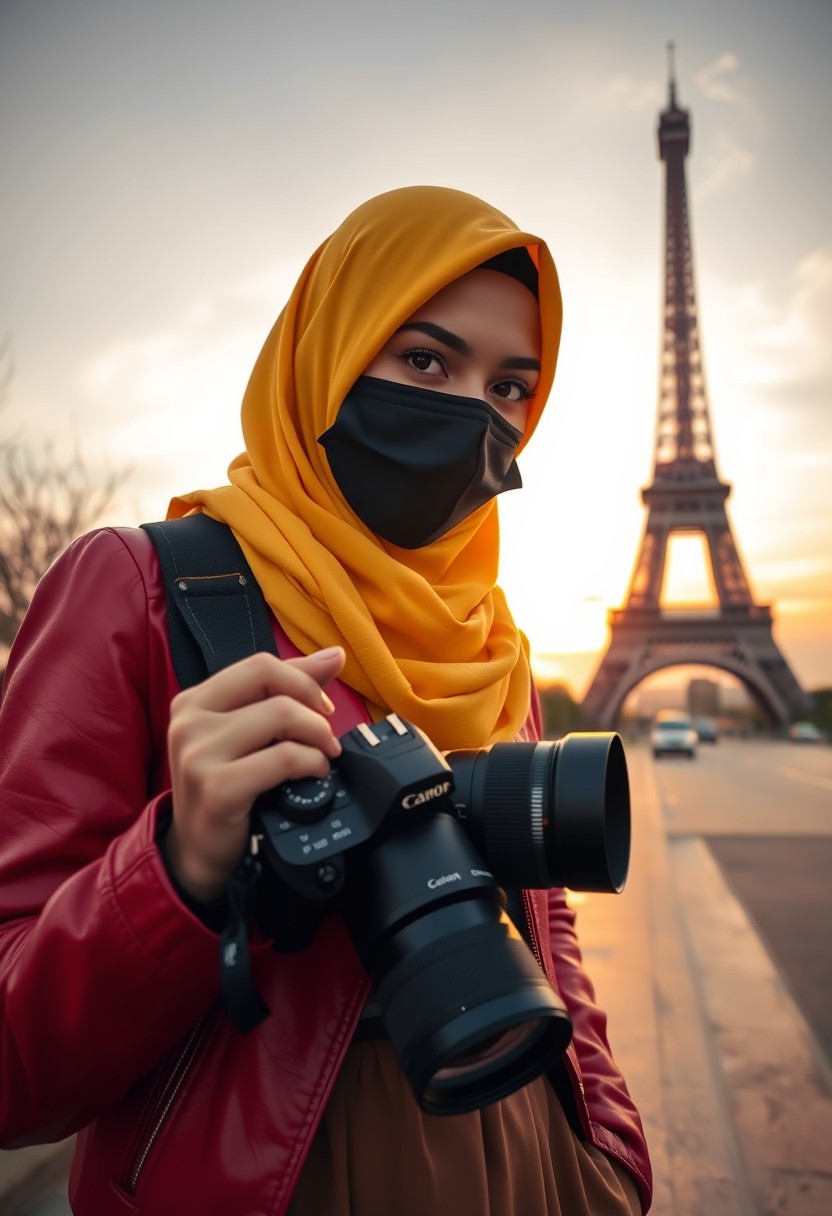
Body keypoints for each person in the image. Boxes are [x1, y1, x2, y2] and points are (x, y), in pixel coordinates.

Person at [0, 186, 652, 1215]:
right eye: (426, 361)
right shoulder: (137, 589)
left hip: (531, 1163)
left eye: (512, 387)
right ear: (328, 351)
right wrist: (179, 867)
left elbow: (548, 932)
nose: (474, 414)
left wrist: (608, 1153)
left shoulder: (490, 640)